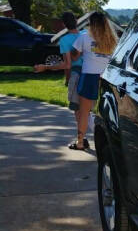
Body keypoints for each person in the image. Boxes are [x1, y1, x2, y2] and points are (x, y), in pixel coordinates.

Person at [33, 12, 87, 147]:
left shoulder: (65, 40)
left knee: (78, 109)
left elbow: (67, 65)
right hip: (91, 74)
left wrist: (45, 67)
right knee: (87, 109)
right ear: (77, 20)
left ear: (63, 24)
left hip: (77, 75)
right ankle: (82, 139)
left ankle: (81, 140)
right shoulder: (86, 34)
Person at [69, 11, 117, 151]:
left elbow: (74, 56)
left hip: (89, 77)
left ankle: (80, 143)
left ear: (91, 23)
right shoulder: (112, 40)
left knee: (84, 112)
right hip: (107, 78)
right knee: (108, 113)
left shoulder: (84, 37)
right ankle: (111, 144)